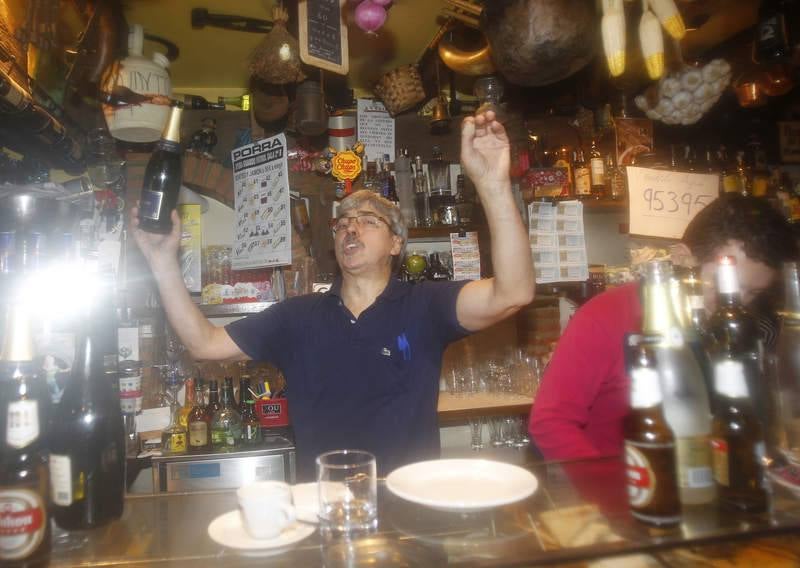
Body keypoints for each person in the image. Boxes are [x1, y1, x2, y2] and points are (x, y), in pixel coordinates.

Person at [131, 110, 534, 478]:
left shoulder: (426, 305)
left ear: (396, 244)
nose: (351, 229)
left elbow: (513, 292)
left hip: (410, 508)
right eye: (343, 223)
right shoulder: (297, 317)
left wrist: (493, 183)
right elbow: (203, 344)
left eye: (369, 220)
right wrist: (162, 261)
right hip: (325, 507)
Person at [529, 194, 799, 461]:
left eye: (752, 292)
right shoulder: (607, 314)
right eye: (725, 284)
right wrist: (605, 494)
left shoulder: (743, 329)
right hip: (629, 491)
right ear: (683, 258)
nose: (735, 303)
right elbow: (551, 422)